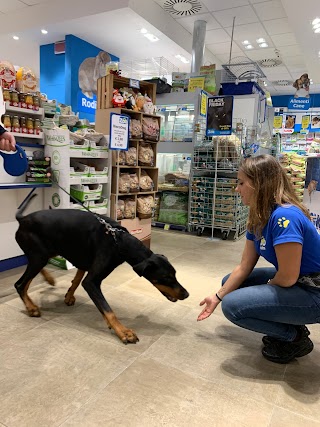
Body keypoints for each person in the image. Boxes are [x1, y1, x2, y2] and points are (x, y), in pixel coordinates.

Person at [198, 154, 320, 364]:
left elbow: (288, 277)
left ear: (260, 184)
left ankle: (295, 338)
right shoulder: (259, 215)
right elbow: (245, 265)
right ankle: (290, 323)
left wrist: (268, 285)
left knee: (234, 306)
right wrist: (217, 296)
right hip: (300, 280)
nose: (237, 189)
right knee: (229, 284)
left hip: (314, 289)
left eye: (242, 183)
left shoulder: (285, 217)